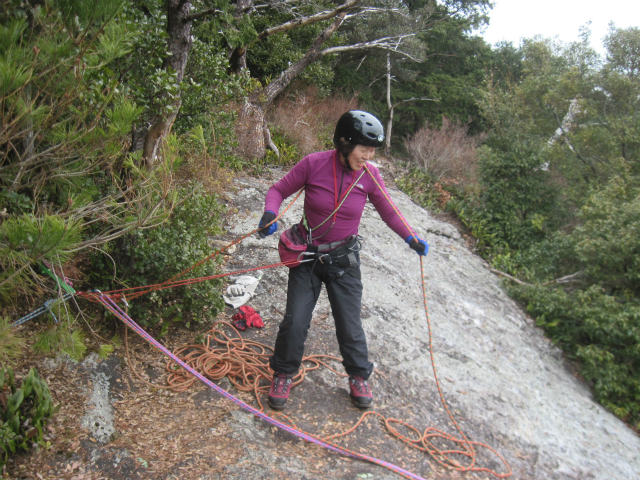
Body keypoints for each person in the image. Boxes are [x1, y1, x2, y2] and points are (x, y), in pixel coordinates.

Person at [257, 110, 428, 410]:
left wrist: (411, 237)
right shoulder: (314, 164)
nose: (369, 155)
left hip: (343, 260)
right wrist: (270, 213)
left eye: (373, 150)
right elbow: (278, 189)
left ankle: (358, 375)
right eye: (365, 149)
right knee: (296, 320)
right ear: (345, 143)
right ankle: (283, 373)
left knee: (349, 324)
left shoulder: (369, 176)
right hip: (308, 255)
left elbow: (390, 211)